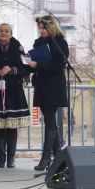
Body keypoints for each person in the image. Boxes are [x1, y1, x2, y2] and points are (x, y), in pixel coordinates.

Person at [0, 23, 30, 168]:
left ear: (11, 33)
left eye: (6, 31)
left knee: (11, 125)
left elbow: (26, 67)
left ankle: (11, 158)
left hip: (14, 90)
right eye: (1, 31)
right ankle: (1, 158)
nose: (3, 33)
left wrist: (11, 69)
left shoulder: (18, 47)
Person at [27, 15, 69, 171]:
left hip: (54, 86)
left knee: (50, 121)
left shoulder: (60, 42)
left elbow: (59, 65)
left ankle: (46, 157)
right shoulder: (38, 43)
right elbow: (37, 63)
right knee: (50, 122)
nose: (41, 30)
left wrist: (39, 64)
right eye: (40, 28)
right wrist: (29, 64)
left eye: (44, 27)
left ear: (52, 27)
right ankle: (59, 157)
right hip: (42, 85)